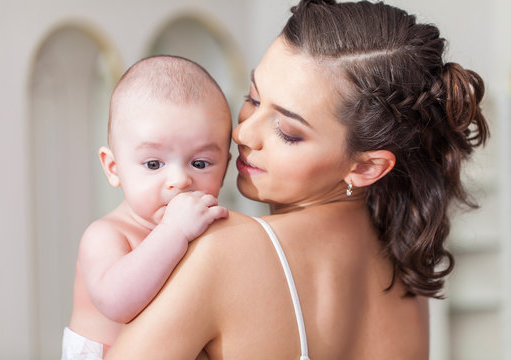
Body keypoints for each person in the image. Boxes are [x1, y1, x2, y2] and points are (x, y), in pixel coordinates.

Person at [106, 1, 489, 359]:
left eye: (288, 132)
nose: (243, 135)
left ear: (366, 167)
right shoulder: (406, 278)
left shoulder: (224, 251)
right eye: (253, 99)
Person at [62, 55, 232, 360]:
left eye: (200, 163)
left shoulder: (212, 232)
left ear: (225, 167)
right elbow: (118, 303)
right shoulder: (106, 235)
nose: (180, 180)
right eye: (154, 163)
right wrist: (173, 232)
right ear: (113, 168)